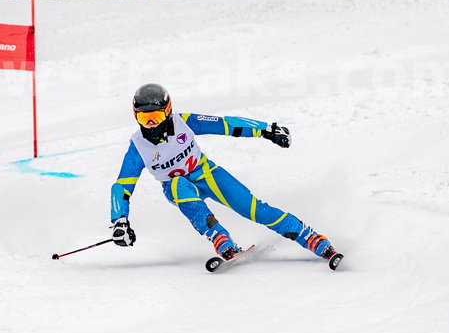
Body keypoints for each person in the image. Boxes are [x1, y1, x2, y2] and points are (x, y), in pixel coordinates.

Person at [108, 83, 343, 269]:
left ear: (168, 111)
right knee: (178, 185)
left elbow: (226, 125)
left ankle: (312, 239)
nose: (150, 125)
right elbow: (121, 187)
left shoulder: (185, 122)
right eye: (143, 118)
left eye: (156, 117)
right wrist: (120, 221)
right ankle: (221, 239)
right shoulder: (137, 147)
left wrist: (266, 130)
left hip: (207, 174)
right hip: (178, 188)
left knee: (254, 209)